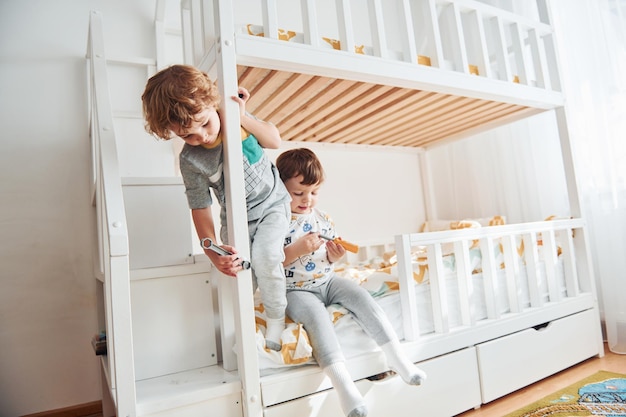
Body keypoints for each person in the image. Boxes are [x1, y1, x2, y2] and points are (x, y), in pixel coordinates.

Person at [141, 64, 289, 351]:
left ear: (213, 104)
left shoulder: (235, 118)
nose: (202, 137)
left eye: (205, 124)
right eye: (188, 136)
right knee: (242, 270)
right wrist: (212, 250)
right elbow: (200, 207)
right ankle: (246, 324)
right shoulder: (191, 160)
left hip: (272, 204)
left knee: (266, 255)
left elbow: (274, 139)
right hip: (237, 217)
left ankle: (276, 318)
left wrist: (244, 118)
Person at [275, 148, 427, 417]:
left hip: (328, 280)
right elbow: (270, 263)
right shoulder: (276, 222)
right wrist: (296, 250)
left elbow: (329, 254)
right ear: (281, 187)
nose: (307, 200)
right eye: (298, 193)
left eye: (314, 192)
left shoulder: (322, 218)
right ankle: (345, 387)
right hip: (297, 290)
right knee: (317, 319)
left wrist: (335, 257)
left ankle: (399, 359)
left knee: (361, 297)